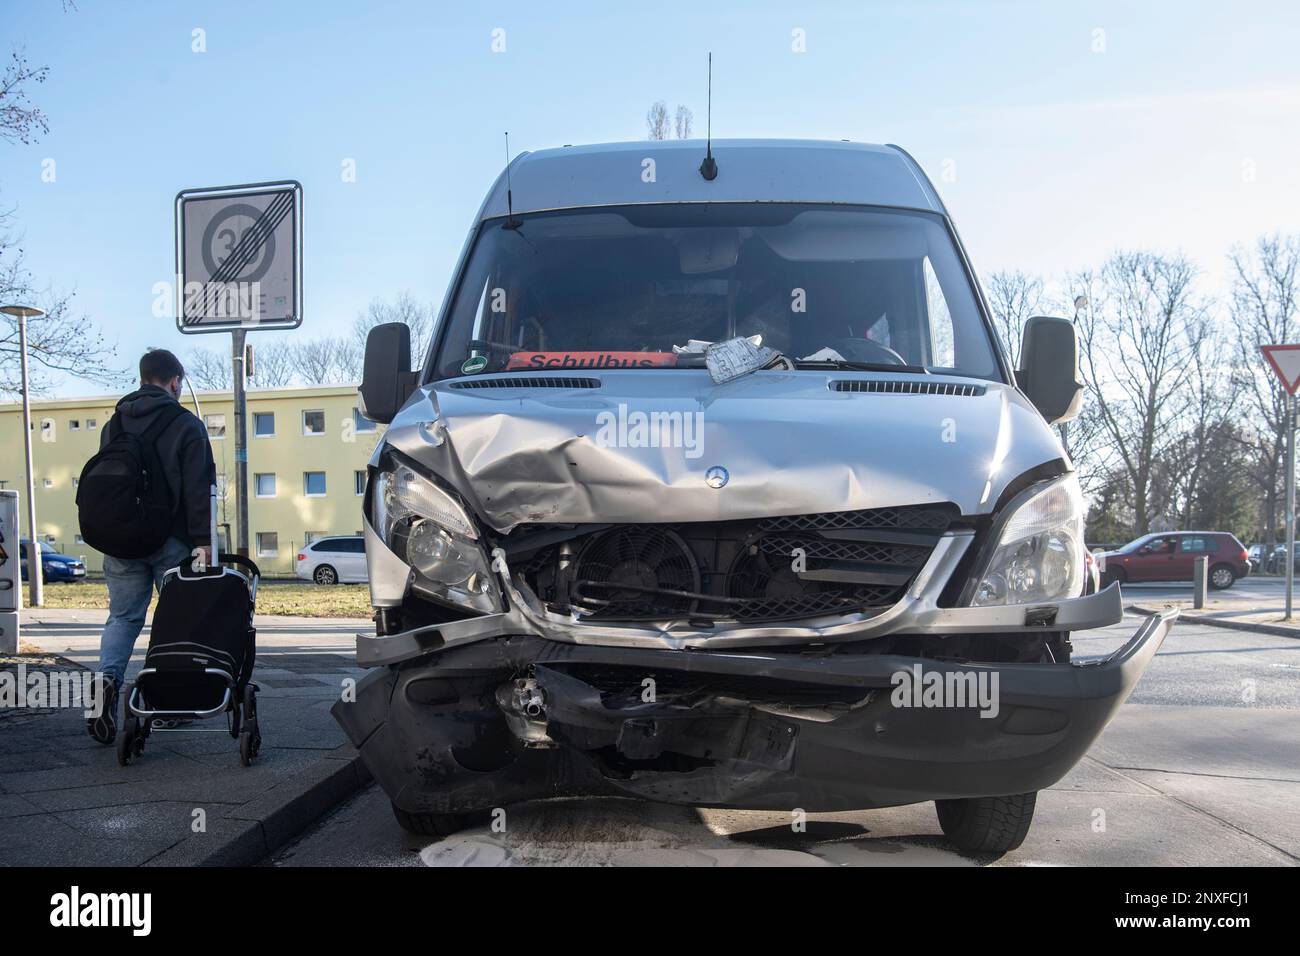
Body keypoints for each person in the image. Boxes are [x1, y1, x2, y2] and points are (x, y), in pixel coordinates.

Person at [88, 349, 215, 744]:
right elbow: (199, 490)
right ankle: (164, 705)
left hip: (121, 538)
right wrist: (203, 543)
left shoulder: (114, 424)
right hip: (171, 540)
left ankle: (106, 683)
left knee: (123, 618)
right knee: (174, 621)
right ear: (176, 382)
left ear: (143, 378)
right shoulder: (186, 425)